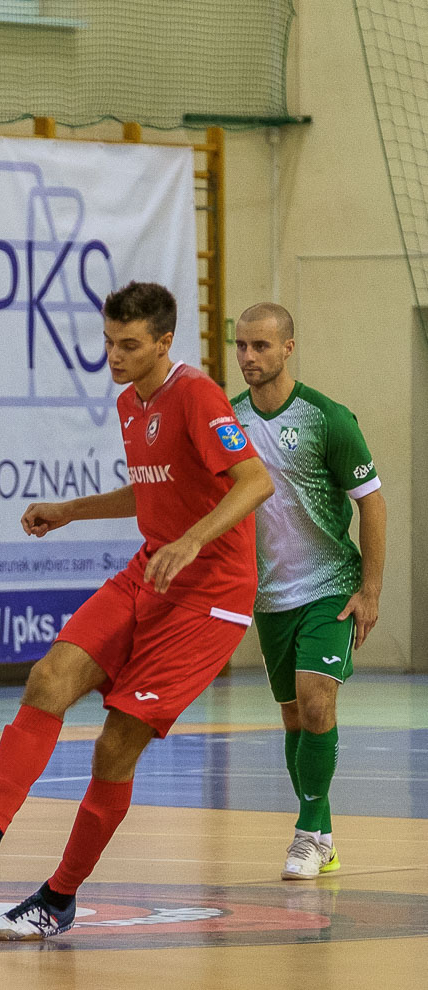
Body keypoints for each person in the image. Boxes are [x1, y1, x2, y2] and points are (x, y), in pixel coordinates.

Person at [0, 282, 275, 939]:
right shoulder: (131, 403)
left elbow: (255, 481)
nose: (114, 355)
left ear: (164, 342)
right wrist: (71, 510)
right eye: (107, 342)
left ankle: (58, 898)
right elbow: (153, 490)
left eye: (128, 344)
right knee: (49, 677)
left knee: (114, 746)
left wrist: (192, 540)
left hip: (210, 595)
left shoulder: (195, 395)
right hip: (149, 572)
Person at [232, 302, 384, 880]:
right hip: (271, 596)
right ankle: (323, 838)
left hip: (331, 586)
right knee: (295, 718)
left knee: (317, 701)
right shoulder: (229, 421)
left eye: (261, 346)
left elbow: (373, 503)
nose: (249, 356)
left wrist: (370, 590)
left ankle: (305, 833)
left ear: (288, 348)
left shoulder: (327, 418)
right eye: (242, 346)